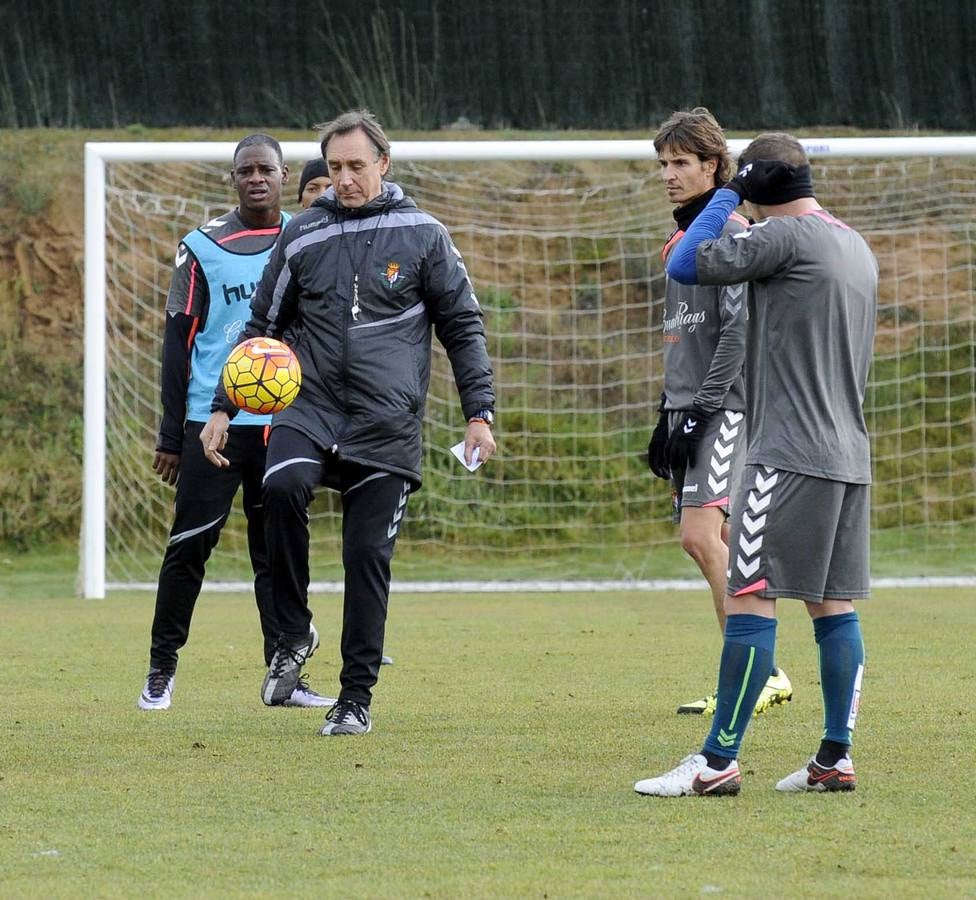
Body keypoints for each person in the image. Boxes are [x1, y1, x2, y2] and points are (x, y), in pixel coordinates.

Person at [201, 109, 496, 736]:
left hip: (386, 422)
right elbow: (262, 331)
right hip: (309, 409)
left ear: (383, 164)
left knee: (366, 554)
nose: (345, 178)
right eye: (334, 168)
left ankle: (355, 697)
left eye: (357, 166)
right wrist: (223, 407)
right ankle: (293, 632)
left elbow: (462, 326)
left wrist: (479, 412)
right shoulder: (303, 235)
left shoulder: (424, 234)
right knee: (278, 490)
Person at [635, 133, 877, 796]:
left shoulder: (780, 237)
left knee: (750, 598)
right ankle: (835, 757)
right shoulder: (852, 242)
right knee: (832, 606)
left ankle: (716, 763)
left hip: (785, 454)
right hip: (849, 455)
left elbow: (687, 260)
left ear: (756, 179)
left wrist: (733, 194)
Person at [137, 133, 334, 712]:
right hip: (211, 424)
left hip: (284, 423)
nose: (256, 179)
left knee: (274, 554)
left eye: (266, 170)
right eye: (245, 170)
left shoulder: (306, 235)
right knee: (189, 546)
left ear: (282, 176)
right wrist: (171, 434)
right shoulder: (201, 246)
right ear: (233, 179)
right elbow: (179, 343)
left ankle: (284, 677)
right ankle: (160, 670)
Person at [648, 108, 792, 717]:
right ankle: (767, 670)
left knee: (700, 537)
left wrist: (701, 412)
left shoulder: (732, 229)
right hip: (687, 408)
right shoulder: (680, 240)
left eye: (681, 163)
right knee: (718, 540)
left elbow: (737, 332)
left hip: (722, 410)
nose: (669, 175)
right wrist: (667, 411)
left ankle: (755, 676)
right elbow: (685, 335)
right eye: (663, 164)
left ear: (714, 166)